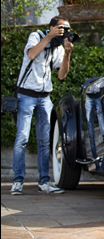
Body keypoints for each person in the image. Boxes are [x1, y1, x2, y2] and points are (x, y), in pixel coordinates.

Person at [11, 16, 74, 195]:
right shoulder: (36, 36)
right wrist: (48, 37)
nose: (63, 32)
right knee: (22, 138)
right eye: (61, 28)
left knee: (44, 141)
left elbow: (61, 75)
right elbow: (31, 54)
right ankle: (17, 181)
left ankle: (44, 181)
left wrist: (67, 52)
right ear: (51, 27)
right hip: (26, 95)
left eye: (66, 30)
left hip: (45, 98)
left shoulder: (59, 47)